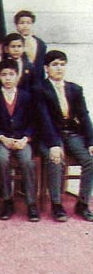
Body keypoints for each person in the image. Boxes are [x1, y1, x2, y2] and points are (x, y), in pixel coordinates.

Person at [36, 50, 93, 222]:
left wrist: (91, 141)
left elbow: (84, 116)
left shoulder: (74, 89)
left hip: (71, 133)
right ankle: (56, 204)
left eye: (62, 64)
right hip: (49, 135)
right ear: (46, 68)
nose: (59, 68)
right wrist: (54, 144)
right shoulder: (39, 89)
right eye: (54, 65)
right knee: (56, 159)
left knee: (90, 159)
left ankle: (82, 203)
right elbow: (43, 119)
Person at [0, 59, 40, 222]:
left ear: (18, 76)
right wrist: (2, 138)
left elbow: (33, 122)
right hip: (2, 140)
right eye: (4, 75)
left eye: (11, 74)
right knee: (1, 158)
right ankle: (7, 200)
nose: (8, 78)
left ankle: (31, 203)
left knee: (27, 161)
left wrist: (25, 138)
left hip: (22, 140)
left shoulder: (26, 97)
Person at [14, 10, 47, 82]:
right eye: (22, 23)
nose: (25, 26)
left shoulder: (41, 44)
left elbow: (41, 65)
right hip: (19, 81)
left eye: (28, 23)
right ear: (16, 25)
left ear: (32, 24)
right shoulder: (12, 43)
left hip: (37, 81)